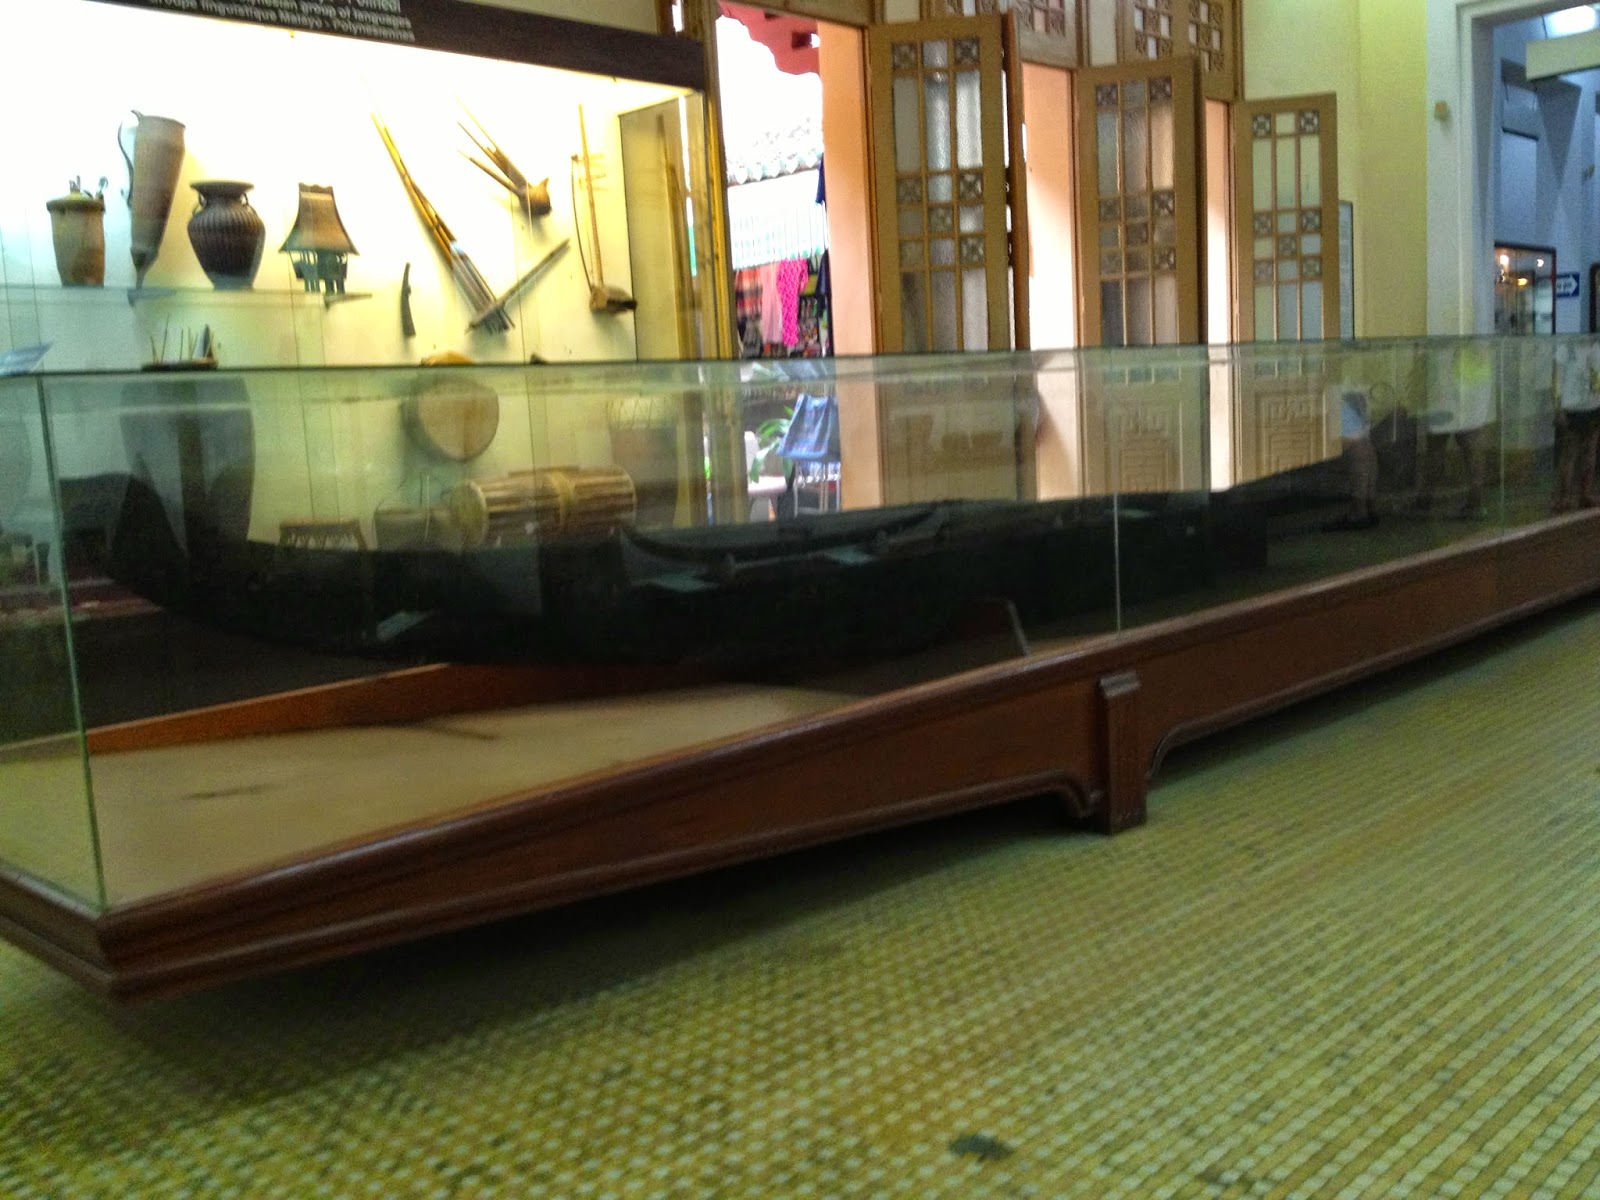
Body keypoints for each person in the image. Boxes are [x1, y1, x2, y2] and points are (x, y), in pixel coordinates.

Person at [1415, 339, 1493, 519]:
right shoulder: (1472, 338)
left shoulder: (1451, 343)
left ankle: (1424, 501)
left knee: (1439, 449)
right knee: (1470, 451)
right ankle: (1474, 503)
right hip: (1470, 388)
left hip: (1456, 388)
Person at [1321, 363, 1380, 531]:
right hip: (1358, 433)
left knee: (1359, 451)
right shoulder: (1347, 387)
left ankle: (1359, 512)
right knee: (1364, 449)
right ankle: (1367, 508)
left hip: (1351, 437)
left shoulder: (1334, 391)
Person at [1553, 339, 1600, 512]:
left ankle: (1585, 494)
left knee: (1590, 452)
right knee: (1569, 453)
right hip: (1572, 409)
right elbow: (1557, 380)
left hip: (1593, 406)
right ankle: (1564, 497)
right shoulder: (1565, 348)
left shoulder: (1596, 347)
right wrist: (1558, 408)